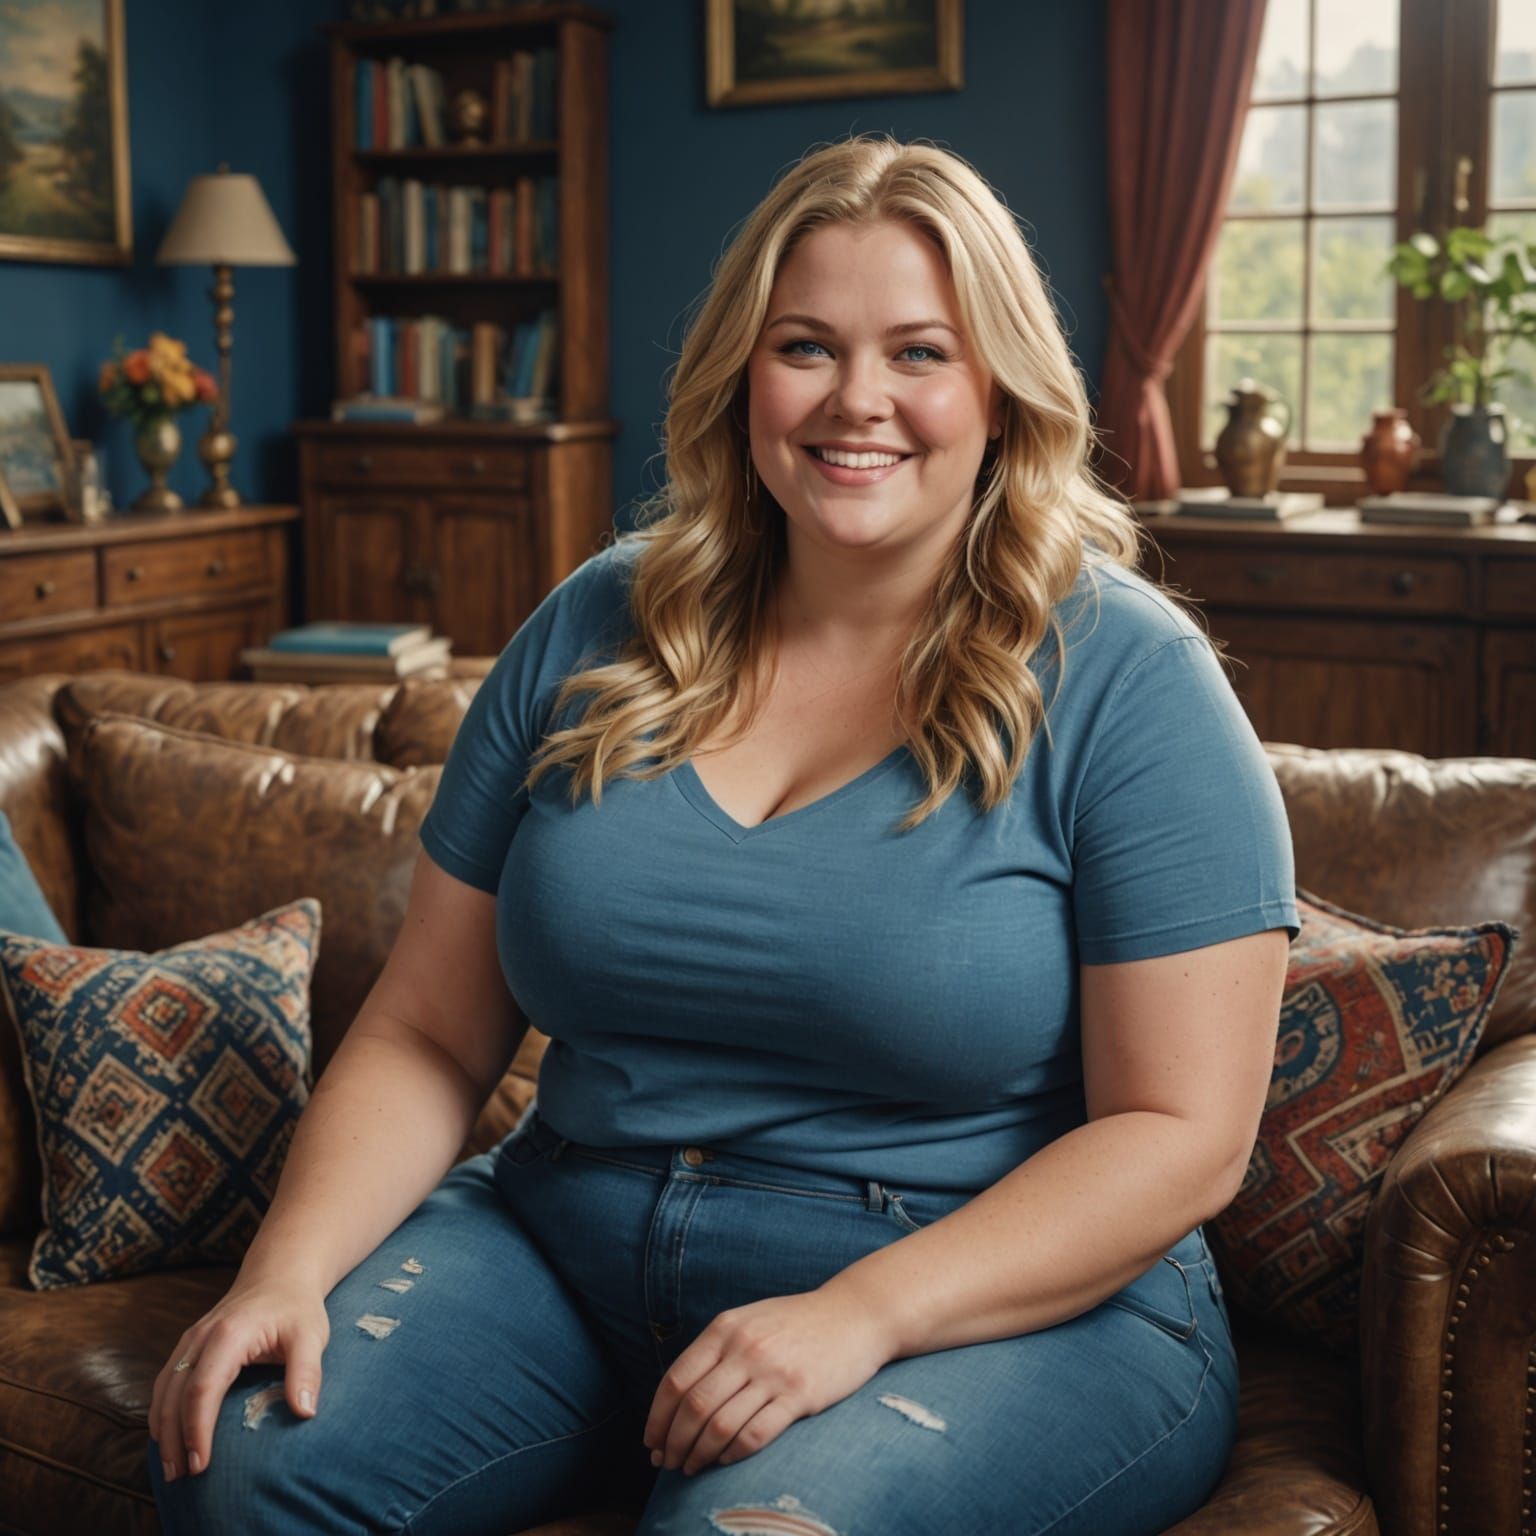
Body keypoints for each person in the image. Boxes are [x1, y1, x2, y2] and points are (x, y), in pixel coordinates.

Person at [147, 132, 1299, 1536]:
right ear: (742, 377)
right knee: (245, 1460)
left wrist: (859, 1316)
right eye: (806, 346)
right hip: (563, 1242)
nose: (857, 400)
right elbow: (428, 1035)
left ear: (1000, 388)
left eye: (921, 353)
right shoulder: (594, 621)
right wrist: (287, 1268)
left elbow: (1181, 1136)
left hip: (988, 1298)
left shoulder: (1131, 674)